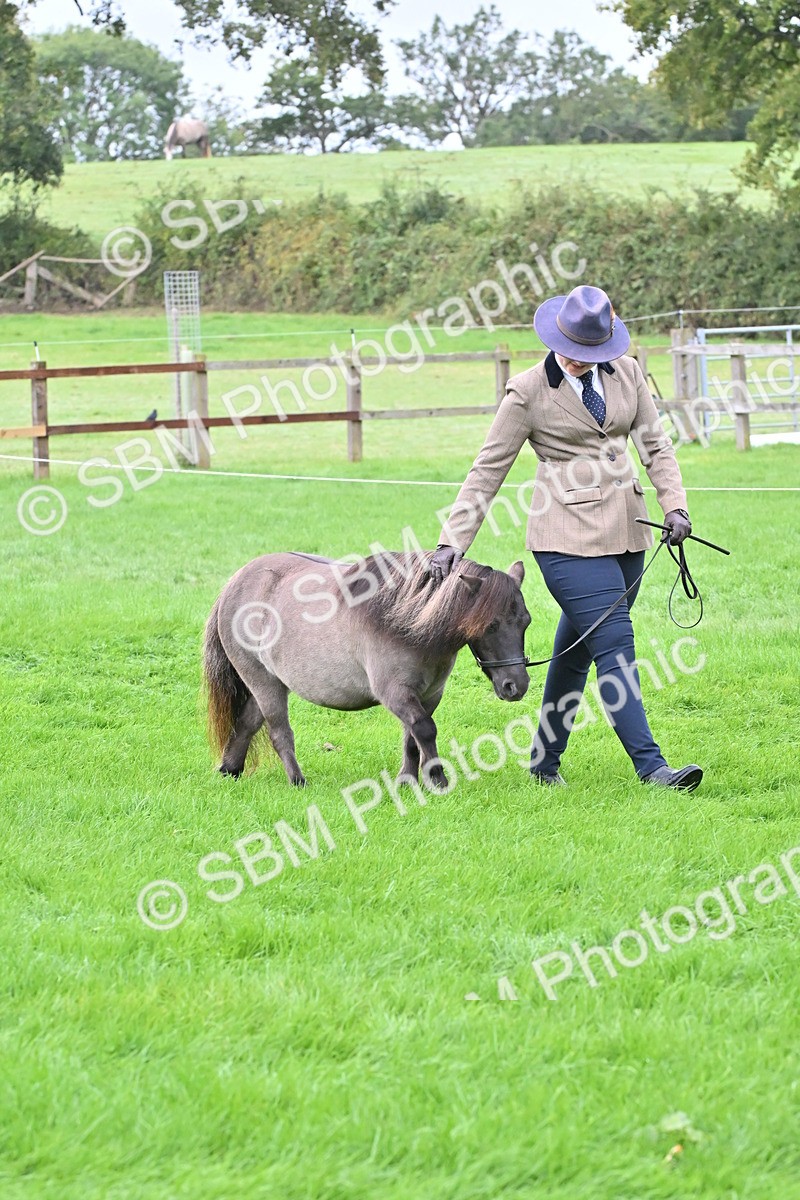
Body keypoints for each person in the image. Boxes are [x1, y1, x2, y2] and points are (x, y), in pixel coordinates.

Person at [429, 284, 702, 791]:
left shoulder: (629, 373)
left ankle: (543, 763)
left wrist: (676, 506)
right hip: (564, 540)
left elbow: (656, 447)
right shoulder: (528, 392)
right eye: (572, 352)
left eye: (589, 355)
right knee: (615, 642)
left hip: (629, 534)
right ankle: (653, 768)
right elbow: (487, 470)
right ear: (557, 336)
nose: (579, 362)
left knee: (576, 650)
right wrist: (452, 541)